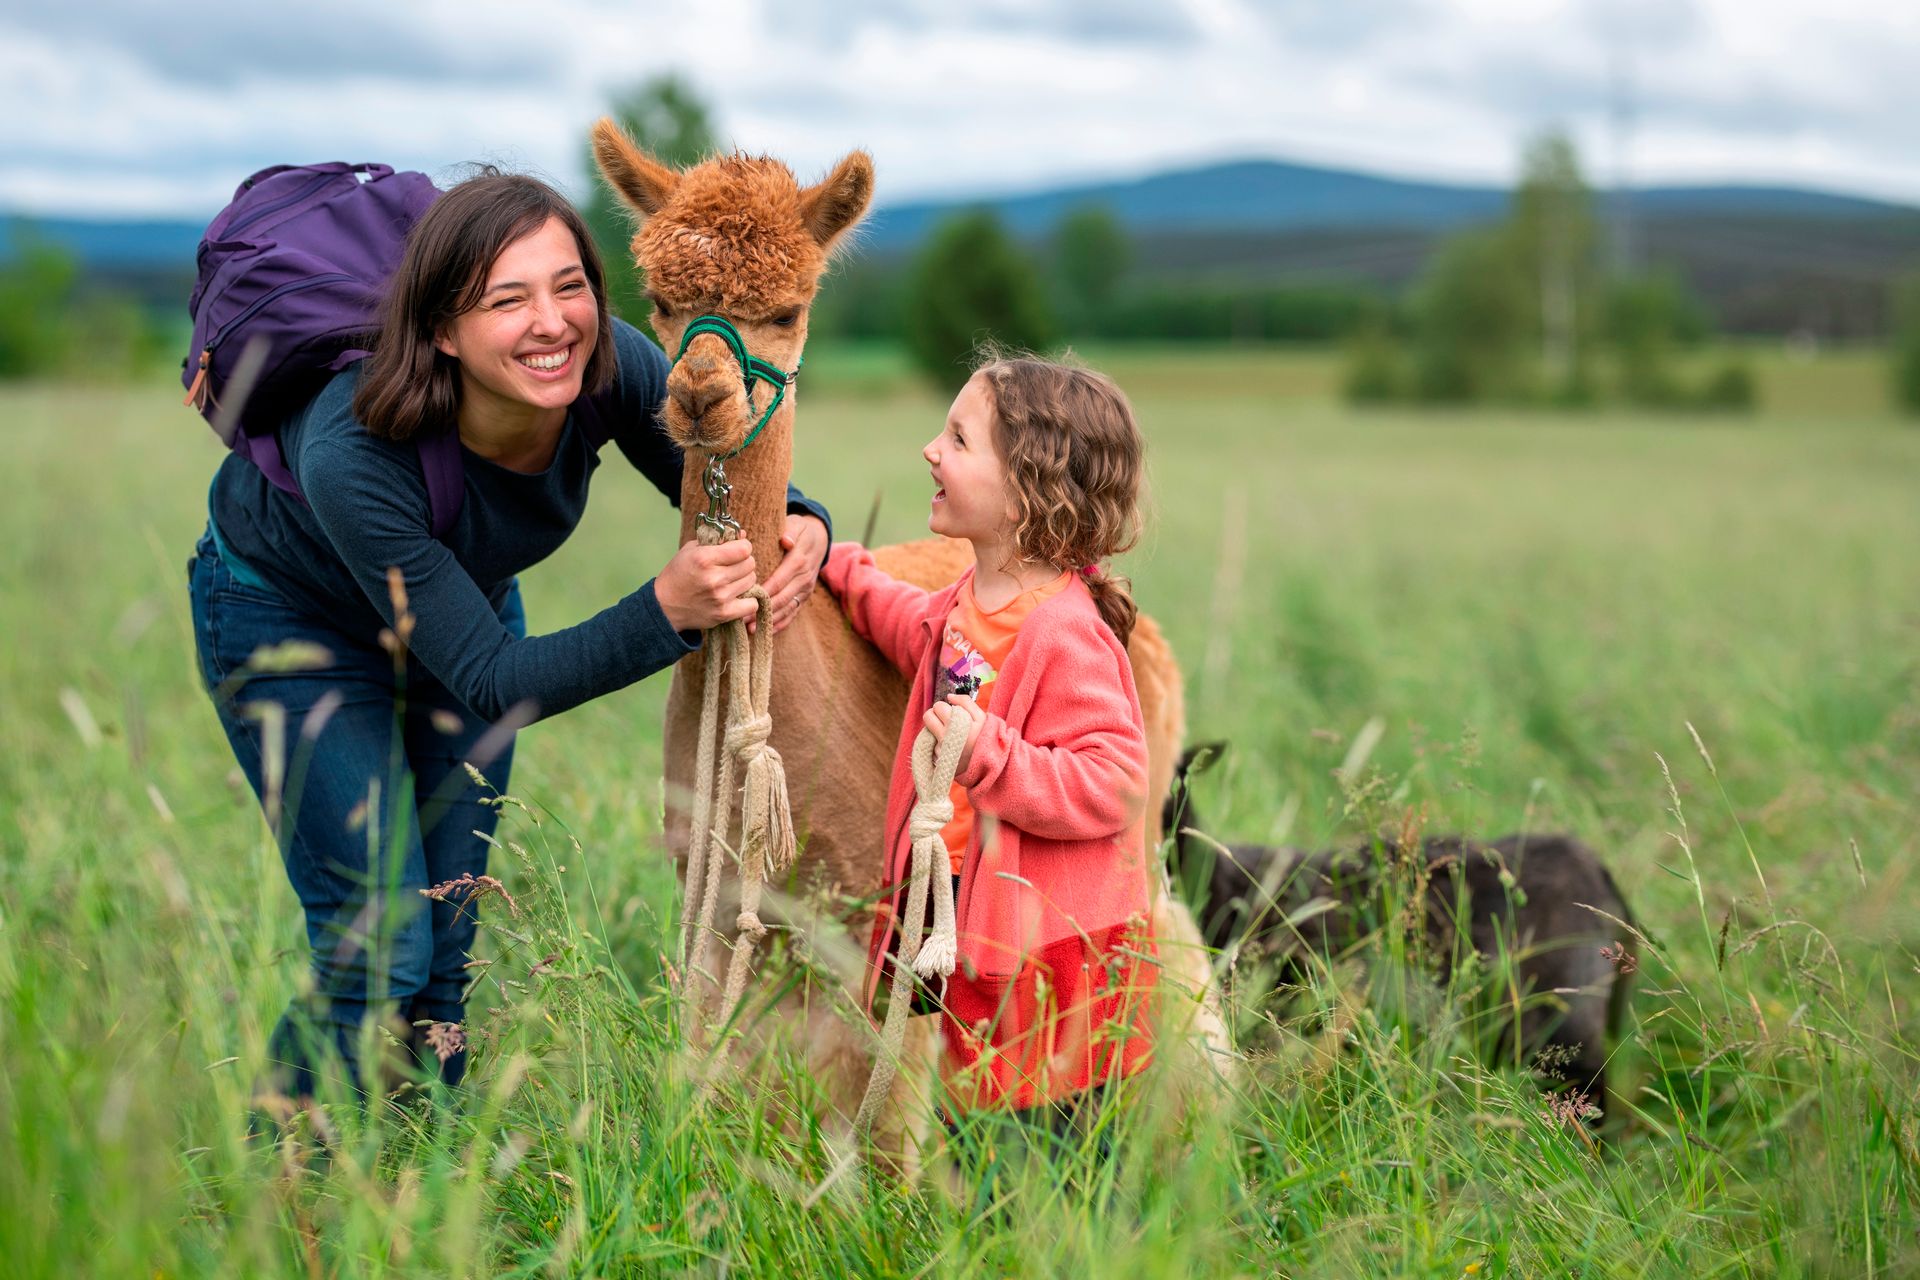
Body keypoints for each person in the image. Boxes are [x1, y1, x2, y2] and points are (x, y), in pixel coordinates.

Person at [186, 170, 831, 1101]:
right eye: (508, 299)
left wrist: (804, 515)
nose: (553, 322)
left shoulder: (609, 363)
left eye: (570, 286)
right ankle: (287, 1183)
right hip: (294, 626)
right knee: (377, 950)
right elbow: (492, 678)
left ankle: (421, 1177)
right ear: (442, 330)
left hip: (465, 602)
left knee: (445, 941)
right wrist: (666, 611)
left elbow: (714, 473)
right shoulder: (352, 445)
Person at [820, 353, 1156, 1170]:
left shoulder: (1063, 632)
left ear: (1024, 493)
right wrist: (839, 564)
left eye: (959, 440)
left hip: (1053, 951)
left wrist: (989, 754)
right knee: (979, 1123)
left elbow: (1113, 781)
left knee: (1046, 1152)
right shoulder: (966, 605)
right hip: (976, 915)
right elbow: (911, 628)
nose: (931, 450)